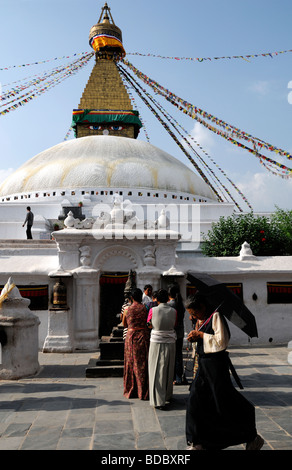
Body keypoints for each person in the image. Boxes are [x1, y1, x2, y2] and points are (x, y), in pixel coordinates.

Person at [185, 293, 264, 450]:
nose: (192, 316)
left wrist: (200, 334)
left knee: (224, 402)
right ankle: (196, 441)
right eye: (191, 314)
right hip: (202, 365)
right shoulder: (201, 319)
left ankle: (251, 436)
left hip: (215, 366)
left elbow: (222, 341)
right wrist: (196, 330)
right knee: (195, 399)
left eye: (194, 312)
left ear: (202, 306)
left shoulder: (216, 316)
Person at [148, 289, 177, 410]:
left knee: (156, 369)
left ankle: (158, 400)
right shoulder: (174, 311)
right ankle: (167, 395)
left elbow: (149, 324)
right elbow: (174, 324)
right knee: (169, 369)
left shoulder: (153, 310)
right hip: (170, 341)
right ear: (168, 298)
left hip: (156, 342)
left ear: (157, 299)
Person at [123, 288, 150, 400]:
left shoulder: (127, 309)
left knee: (130, 363)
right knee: (142, 364)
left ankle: (131, 390)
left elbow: (125, 324)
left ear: (132, 298)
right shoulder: (146, 308)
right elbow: (148, 322)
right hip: (143, 335)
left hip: (131, 336)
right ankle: (143, 391)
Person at [168, 284, 188, 385]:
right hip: (180, 331)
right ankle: (179, 376)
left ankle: (174, 377)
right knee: (178, 355)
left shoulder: (170, 305)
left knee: (173, 355)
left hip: (172, 331)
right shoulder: (180, 304)